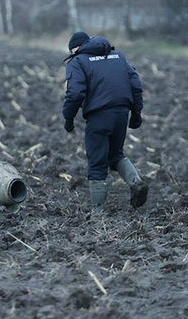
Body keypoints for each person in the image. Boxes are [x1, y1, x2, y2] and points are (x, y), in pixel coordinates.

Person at [62, 31, 148, 212]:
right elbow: (136, 85)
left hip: (99, 115)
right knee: (115, 154)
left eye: (73, 51)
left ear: (76, 48)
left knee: (97, 161)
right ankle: (136, 181)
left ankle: (97, 212)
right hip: (122, 112)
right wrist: (136, 113)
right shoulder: (118, 56)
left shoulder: (78, 62)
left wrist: (68, 117)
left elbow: (75, 93)